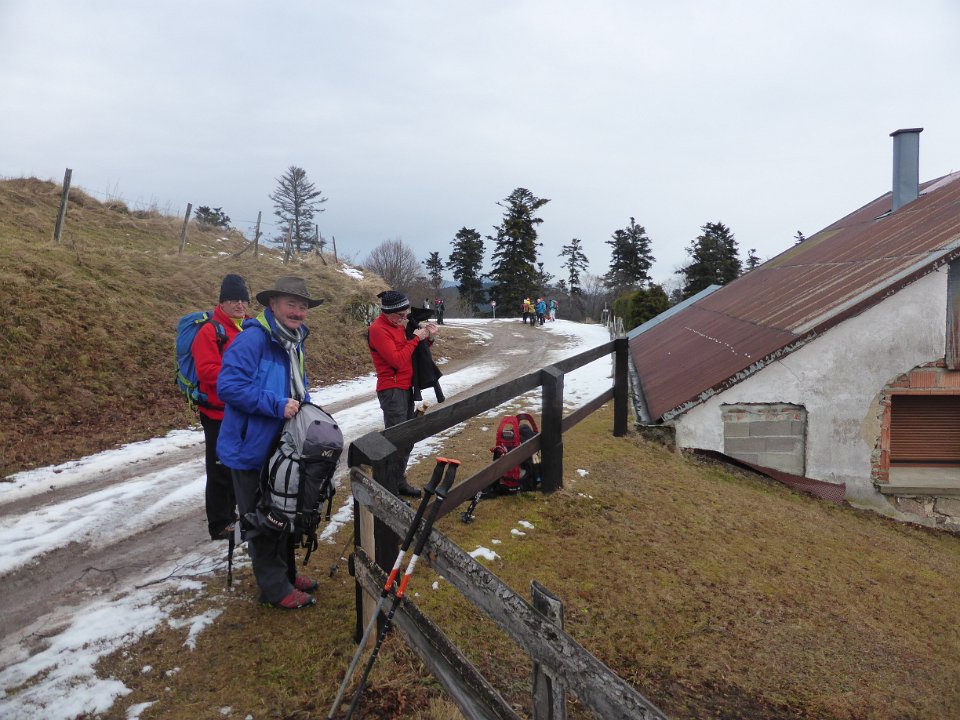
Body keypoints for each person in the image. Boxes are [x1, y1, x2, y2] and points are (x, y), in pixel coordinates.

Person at [217, 276, 324, 610]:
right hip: (250, 448)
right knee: (262, 518)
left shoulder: (294, 340)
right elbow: (228, 386)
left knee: (284, 511)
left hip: (281, 446)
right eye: (291, 304)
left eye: (303, 306)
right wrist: (276, 404)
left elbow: (297, 387)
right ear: (272, 305)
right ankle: (274, 589)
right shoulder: (253, 340)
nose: (298, 312)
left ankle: (287, 574)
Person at [191, 273, 250, 541]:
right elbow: (206, 371)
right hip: (216, 412)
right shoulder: (210, 331)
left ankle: (235, 514)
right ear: (222, 302)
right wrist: (241, 378)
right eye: (233, 300)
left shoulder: (248, 327)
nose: (240, 304)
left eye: (243, 300)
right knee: (219, 469)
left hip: (242, 409)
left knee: (238, 464)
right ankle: (219, 523)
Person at [368, 290, 438, 498]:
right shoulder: (378, 329)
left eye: (405, 314)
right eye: (400, 315)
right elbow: (397, 360)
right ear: (388, 313)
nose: (403, 318)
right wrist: (416, 338)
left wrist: (429, 339)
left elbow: (412, 354)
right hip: (391, 390)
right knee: (396, 441)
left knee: (407, 438)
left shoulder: (397, 325)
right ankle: (390, 490)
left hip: (406, 388)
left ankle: (398, 481)